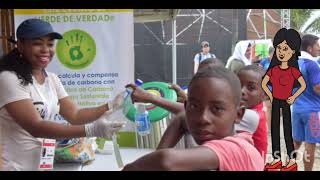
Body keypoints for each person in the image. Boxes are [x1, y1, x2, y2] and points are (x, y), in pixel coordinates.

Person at [0, 19, 125, 171]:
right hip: (13, 166)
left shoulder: (51, 79)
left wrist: (111, 105)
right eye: (37, 43)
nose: (46, 49)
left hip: (42, 166)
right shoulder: (9, 78)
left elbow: (75, 115)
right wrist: (91, 130)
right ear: (20, 45)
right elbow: (36, 127)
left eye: (50, 44)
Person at [122, 66, 264, 171]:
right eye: (194, 107)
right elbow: (181, 118)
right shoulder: (212, 156)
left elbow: (165, 160)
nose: (203, 118)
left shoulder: (238, 149)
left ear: (238, 115)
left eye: (217, 109)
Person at [262, 28, 307, 171]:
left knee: (288, 131)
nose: (281, 52)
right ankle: (276, 159)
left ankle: (292, 161)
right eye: (279, 48)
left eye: (285, 49)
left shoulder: (293, 70)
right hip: (275, 101)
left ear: (293, 51)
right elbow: (264, 83)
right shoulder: (273, 69)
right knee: (275, 130)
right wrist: (270, 96)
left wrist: (293, 97)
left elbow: (302, 85)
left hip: (286, 102)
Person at [292, 34, 320, 171]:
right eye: (317, 45)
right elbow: (317, 87)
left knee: (296, 142)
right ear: (309, 48)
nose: (319, 48)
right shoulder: (312, 64)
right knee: (311, 143)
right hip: (312, 111)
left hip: (297, 108)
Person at [237, 65, 268, 162]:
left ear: (264, 94)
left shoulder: (252, 116)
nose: (242, 91)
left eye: (251, 88)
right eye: (238, 85)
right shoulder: (257, 108)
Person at [259, 47, 275, 133]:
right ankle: (269, 129)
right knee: (269, 108)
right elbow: (259, 72)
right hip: (266, 87)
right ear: (270, 54)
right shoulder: (264, 61)